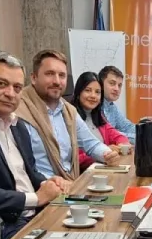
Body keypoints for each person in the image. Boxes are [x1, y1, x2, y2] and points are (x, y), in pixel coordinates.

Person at [0, 50, 69, 239]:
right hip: (5, 224)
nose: (10, 94)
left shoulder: (19, 126)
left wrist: (47, 182)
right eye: (1, 84)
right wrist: (38, 198)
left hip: (37, 214)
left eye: (17, 87)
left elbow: (30, 172)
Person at [15, 49, 120, 181]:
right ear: (34, 78)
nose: (57, 81)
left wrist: (108, 154)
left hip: (70, 187)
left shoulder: (69, 111)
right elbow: (22, 169)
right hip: (40, 192)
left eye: (62, 75)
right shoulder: (18, 110)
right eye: (50, 74)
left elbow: (91, 144)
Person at [71, 71, 131, 171]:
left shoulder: (98, 116)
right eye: (88, 90)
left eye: (97, 92)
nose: (93, 96)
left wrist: (122, 145)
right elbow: (74, 158)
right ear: (78, 93)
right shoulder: (71, 117)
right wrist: (105, 152)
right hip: (84, 175)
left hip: (104, 168)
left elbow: (118, 136)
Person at [98, 65, 137, 143]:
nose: (117, 89)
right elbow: (110, 135)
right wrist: (143, 137)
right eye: (112, 83)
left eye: (119, 85)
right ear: (100, 84)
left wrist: (145, 131)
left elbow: (127, 126)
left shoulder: (111, 106)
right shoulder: (95, 106)